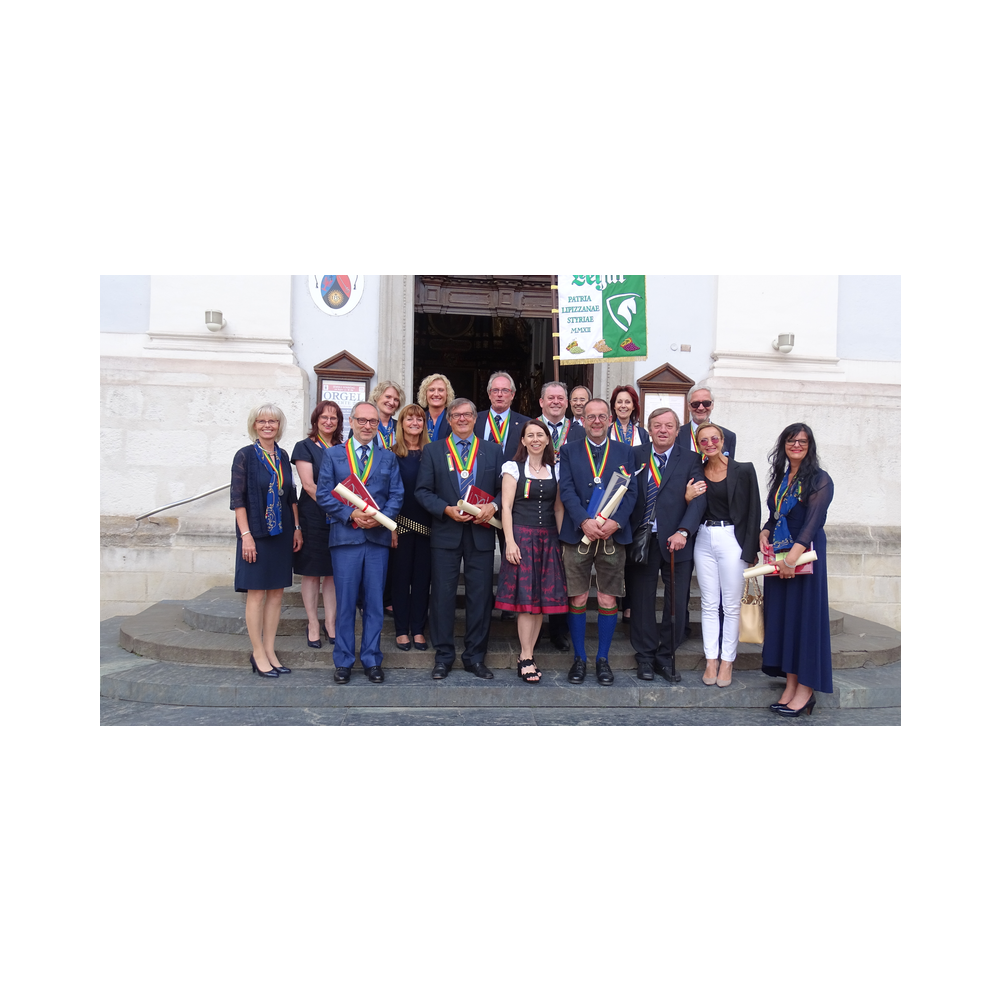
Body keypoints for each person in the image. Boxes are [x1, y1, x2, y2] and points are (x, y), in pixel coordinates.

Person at [316, 401, 404, 684]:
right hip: (346, 539)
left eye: (373, 421)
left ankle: (372, 659)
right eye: (362, 420)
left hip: (377, 539)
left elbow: (397, 494)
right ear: (351, 422)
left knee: (375, 603)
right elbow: (323, 494)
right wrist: (350, 514)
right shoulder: (333, 455)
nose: (367, 426)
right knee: (345, 604)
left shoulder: (388, 457)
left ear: (379, 425)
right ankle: (343, 661)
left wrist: (380, 518)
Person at [414, 398, 503, 680]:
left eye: (467, 415)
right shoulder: (433, 450)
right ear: (449, 420)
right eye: (456, 415)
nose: (462, 419)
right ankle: (443, 657)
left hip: (481, 533)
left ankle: (475, 657)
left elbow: (504, 489)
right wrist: (445, 509)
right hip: (446, 533)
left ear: (475, 419)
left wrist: (494, 506)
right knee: (442, 596)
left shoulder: (493, 450)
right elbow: (422, 491)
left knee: (480, 597)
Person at [557, 398, 638, 685]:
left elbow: (631, 492)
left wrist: (617, 522)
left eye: (602, 416)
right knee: (578, 597)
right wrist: (584, 521)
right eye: (590, 416)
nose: (596, 421)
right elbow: (566, 489)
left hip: (612, 535)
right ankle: (579, 658)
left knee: (607, 597)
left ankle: (602, 659)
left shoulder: (625, 451)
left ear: (610, 420)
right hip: (578, 533)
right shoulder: (568, 450)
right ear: (582, 420)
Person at [759, 423, 834, 716]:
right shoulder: (782, 477)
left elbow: (813, 522)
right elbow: (777, 515)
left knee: (804, 619)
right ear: (784, 445)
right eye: (791, 441)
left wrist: (792, 559)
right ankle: (791, 685)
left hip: (804, 554)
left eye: (802, 441)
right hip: (780, 554)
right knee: (785, 619)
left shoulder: (819, 479)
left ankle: (806, 689)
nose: (797, 445)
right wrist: (765, 531)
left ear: (810, 445)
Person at [626, 408, 706, 682]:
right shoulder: (634, 455)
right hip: (642, 541)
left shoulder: (691, 459)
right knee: (642, 601)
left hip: (677, 543)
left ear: (677, 430)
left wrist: (684, 531)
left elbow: (699, 499)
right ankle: (645, 657)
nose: (663, 430)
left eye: (669, 426)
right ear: (648, 429)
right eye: (657, 425)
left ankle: (665, 656)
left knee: (677, 602)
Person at [685, 422, 761, 687]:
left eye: (714, 439)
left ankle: (727, 660)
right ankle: (711, 660)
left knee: (730, 605)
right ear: (698, 445)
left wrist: (751, 549)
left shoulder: (744, 470)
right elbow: (691, 507)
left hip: (732, 539)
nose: (710, 444)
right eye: (704, 441)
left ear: (723, 440)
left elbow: (754, 511)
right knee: (708, 603)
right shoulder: (697, 471)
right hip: (704, 538)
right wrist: (688, 497)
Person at [231, 404, 303, 678]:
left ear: (279, 426)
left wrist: (297, 527)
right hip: (256, 534)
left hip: (282, 532)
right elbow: (238, 500)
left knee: (276, 593)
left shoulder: (283, 455)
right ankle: (258, 652)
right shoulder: (245, 456)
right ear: (254, 425)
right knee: (257, 594)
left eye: (272, 421)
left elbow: (291, 495)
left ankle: (270, 650)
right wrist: (246, 536)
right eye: (262, 421)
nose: (267, 425)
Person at [495, 420, 568, 682]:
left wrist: (561, 542)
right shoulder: (513, 468)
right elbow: (506, 507)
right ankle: (525, 656)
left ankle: (529, 653)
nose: (535, 439)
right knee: (526, 602)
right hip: (523, 538)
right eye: (530, 436)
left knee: (540, 602)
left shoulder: (555, 470)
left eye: (540, 435)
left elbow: (558, 508)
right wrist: (510, 542)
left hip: (548, 539)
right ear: (523, 441)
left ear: (548, 440)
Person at [292, 401, 342, 649]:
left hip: (338, 519)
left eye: (333, 418)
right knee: (312, 573)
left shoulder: (342, 448)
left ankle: (330, 623)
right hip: (313, 516)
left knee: (332, 573)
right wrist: (338, 507)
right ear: (316, 420)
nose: (329, 422)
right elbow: (309, 486)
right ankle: (313, 623)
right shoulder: (304, 447)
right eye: (324, 417)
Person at [389, 403, 432, 652]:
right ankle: (401, 630)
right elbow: (385, 492)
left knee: (422, 580)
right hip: (399, 527)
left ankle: (418, 629)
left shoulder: (432, 453)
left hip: (428, 527)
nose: (415, 423)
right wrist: (390, 527)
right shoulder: (391, 454)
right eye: (409, 419)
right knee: (400, 579)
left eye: (419, 419)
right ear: (402, 423)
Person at [474, 370, 530, 462]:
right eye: (495, 390)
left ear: (512, 395)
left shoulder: (525, 423)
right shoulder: (474, 420)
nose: (499, 394)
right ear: (489, 394)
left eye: (505, 390)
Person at [680, 384, 736, 458]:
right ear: (689, 406)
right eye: (695, 404)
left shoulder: (728, 436)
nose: (701, 408)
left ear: (712, 405)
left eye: (706, 403)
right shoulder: (676, 435)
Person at [417, 373, 454, 442]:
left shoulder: (454, 420)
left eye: (441, 390)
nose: (436, 394)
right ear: (425, 394)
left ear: (447, 394)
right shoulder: (417, 419)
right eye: (431, 390)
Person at [369, 379, 404, 449]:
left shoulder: (401, 426)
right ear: (376, 397)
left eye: (396, 400)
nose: (392, 402)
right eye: (388, 397)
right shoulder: (363, 424)